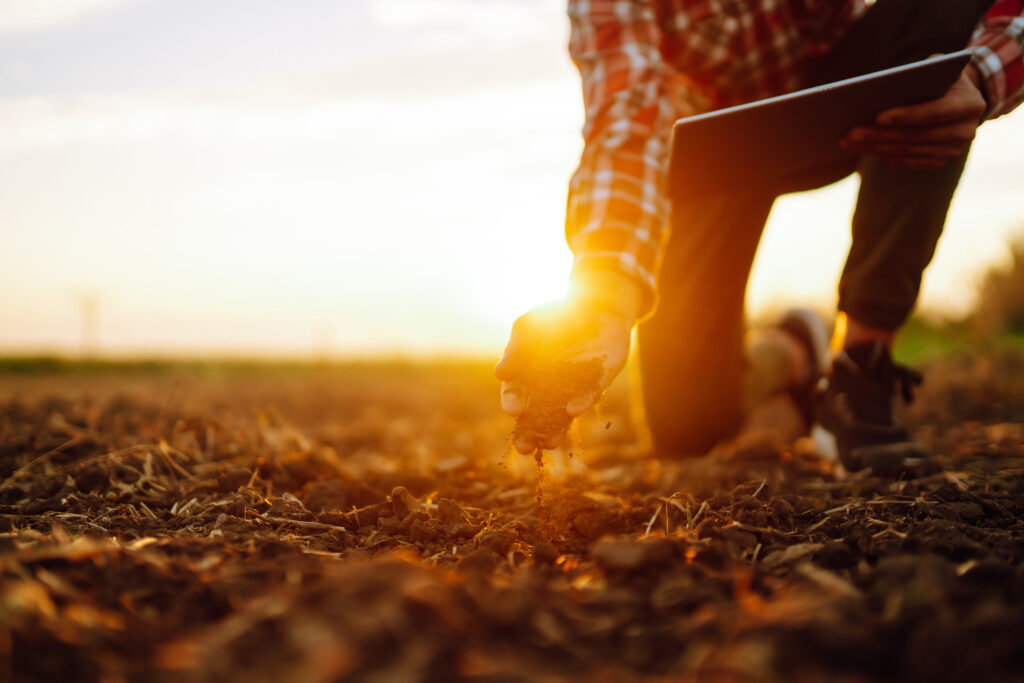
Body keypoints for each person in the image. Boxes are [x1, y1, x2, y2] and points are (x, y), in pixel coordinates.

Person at [496, 0, 1024, 472]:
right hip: (710, 153)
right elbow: (627, 121)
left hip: (845, 92)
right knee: (689, 429)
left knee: (938, 27)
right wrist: (604, 294)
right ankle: (793, 351)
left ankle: (861, 371)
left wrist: (980, 77)